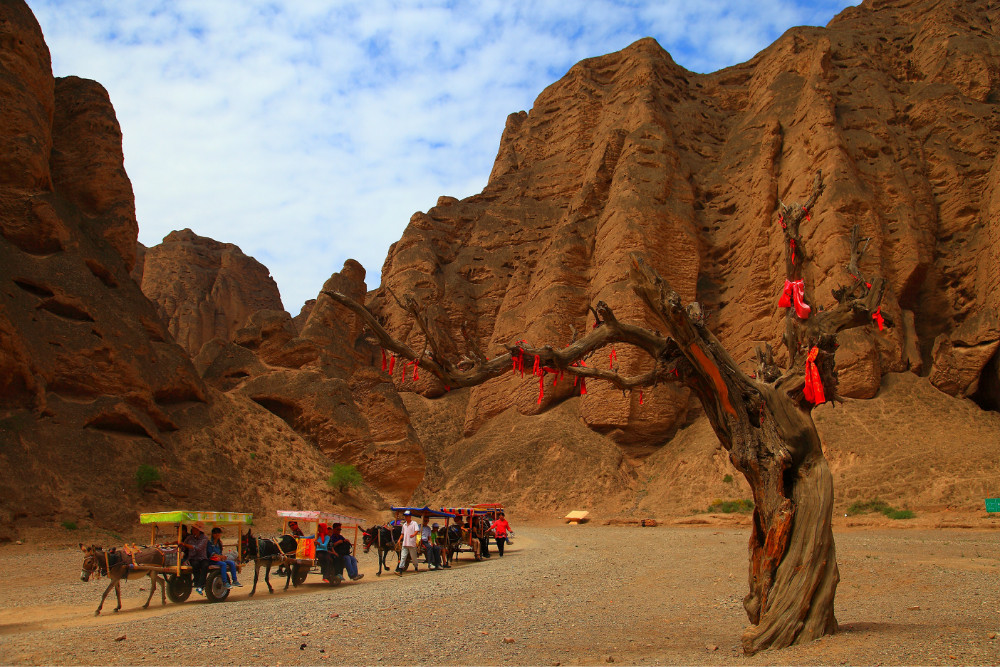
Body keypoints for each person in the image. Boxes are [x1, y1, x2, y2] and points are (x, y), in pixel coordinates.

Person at [182, 521, 211, 595]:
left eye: (194, 528)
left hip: (202, 557)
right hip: (193, 558)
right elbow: (183, 547)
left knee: (205, 565)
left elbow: (198, 548)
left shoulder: (204, 538)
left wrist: (185, 545)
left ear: (198, 530)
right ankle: (197, 582)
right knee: (195, 564)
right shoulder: (189, 538)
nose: (192, 530)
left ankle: (200, 584)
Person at [395, 511, 420, 575]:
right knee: (403, 557)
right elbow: (402, 534)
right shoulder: (404, 525)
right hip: (405, 543)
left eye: (407, 516)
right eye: (405, 516)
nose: (406, 517)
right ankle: (400, 570)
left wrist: (413, 535)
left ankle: (416, 567)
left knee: (413, 557)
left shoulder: (414, 523)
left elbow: (417, 530)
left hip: (412, 543)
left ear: (410, 517)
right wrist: (399, 540)